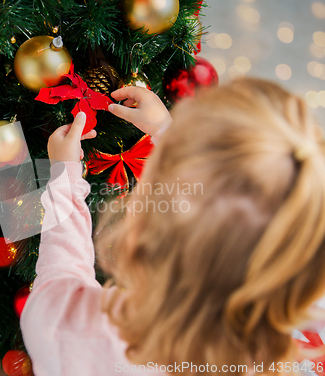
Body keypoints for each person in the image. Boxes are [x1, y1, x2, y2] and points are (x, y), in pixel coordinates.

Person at [20, 78, 325, 376]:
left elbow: (57, 281)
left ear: (145, 233)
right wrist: (167, 133)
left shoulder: (86, 333)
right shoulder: (302, 319)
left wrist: (65, 180)